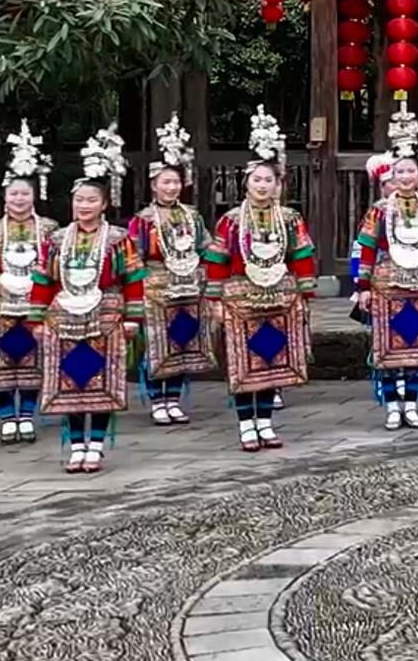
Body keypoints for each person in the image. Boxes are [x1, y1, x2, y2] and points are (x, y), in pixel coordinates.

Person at [205, 108, 317, 452]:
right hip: (241, 299)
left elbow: (302, 257)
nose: (263, 185)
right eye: (257, 180)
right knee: (243, 361)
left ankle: (265, 423)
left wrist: (304, 294)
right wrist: (215, 300)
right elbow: (217, 261)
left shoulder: (290, 219)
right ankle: (246, 425)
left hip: (280, 297)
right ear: (247, 182)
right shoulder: (230, 221)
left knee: (271, 359)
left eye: (269, 180)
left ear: (278, 184)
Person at [34, 128, 142, 475]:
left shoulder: (119, 239)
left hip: (105, 317)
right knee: (71, 380)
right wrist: (37, 318)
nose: (84, 206)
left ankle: (95, 445)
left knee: (100, 380)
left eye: (91, 200)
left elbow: (134, 279)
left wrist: (133, 317)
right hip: (64, 317)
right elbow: (43, 279)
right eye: (79, 200)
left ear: (104, 204)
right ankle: (75, 446)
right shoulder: (56, 240)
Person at [350, 105, 418, 430]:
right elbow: (366, 247)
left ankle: (412, 404)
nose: (405, 177)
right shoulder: (379, 211)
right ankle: (392, 405)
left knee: (416, 345)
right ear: (391, 177)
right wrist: (362, 287)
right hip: (386, 285)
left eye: (411, 171)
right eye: (400, 172)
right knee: (387, 346)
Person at [0, 122, 58, 444]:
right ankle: (7, 416)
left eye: (25, 193)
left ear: (35, 196)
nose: (19, 199)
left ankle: (28, 414)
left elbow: (55, 270)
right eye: (14, 193)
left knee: (33, 360)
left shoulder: (50, 230)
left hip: (36, 308)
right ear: (5, 196)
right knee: (2, 361)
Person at [130, 115, 211, 427]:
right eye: (165, 182)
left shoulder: (192, 216)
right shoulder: (143, 220)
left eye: (175, 182)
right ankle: (156, 399)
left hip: (188, 287)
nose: (171, 187)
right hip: (155, 289)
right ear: (154, 185)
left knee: (182, 342)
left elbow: (205, 247)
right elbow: (133, 258)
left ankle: (174, 399)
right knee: (156, 345)